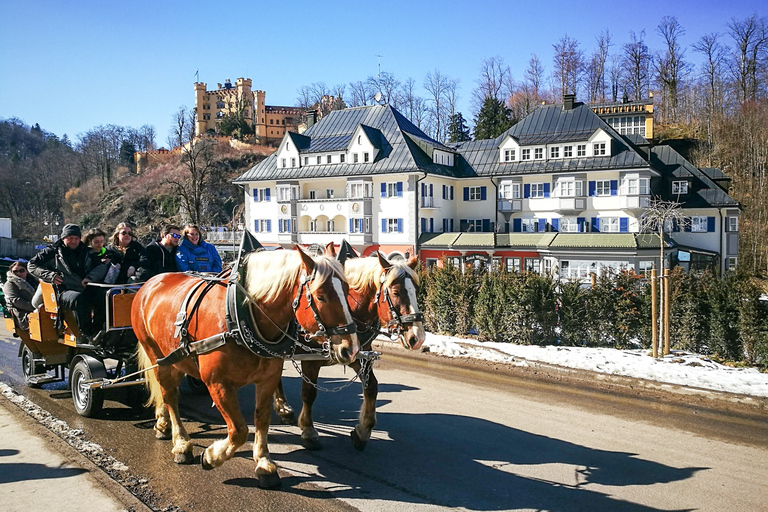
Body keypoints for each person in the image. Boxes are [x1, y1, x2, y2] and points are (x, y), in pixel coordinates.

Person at [28, 223, 101, 336]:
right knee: (78, 298)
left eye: (76, 238)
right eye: (70, 238)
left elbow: (99, 266)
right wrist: (50, 276)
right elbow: (32, 265)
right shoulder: (52, 251)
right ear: (63, 238)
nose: (73, 241)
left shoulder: (86, 251)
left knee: (103, 296)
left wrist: (90, 277)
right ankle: (87, 334)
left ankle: (101, 329)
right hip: (63, 290)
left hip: (84, 286)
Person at [3, 261, 39, 330]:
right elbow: (15, 300)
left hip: (38, 309)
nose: (18, 273)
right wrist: (34, 308)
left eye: (21, 270)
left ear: (27, 271)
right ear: (11, 272)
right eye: (15, 271)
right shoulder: (10, 284)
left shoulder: (34, 281)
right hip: (22, 313)